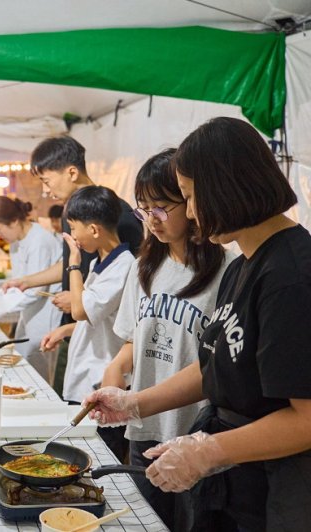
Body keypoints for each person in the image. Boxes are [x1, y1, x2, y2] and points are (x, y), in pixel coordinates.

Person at [85, 117, 311, 531]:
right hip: (231, 483)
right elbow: (215, 366)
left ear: (226, 187)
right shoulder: (244, 264)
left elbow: (306, 418)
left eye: (189, 196)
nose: (189, 212)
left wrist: (207, 451)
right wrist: (136, 403)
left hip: (272, 492)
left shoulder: (291, 276)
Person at [100, 149, 234, 531]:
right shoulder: (144, 266)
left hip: (195, 435)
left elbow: (218, 362)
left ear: (191, 203)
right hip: (145, 427)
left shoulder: (226, 269)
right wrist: (114, 369)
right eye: (143, 210)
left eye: (161, 208)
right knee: (144, 522)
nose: (151, 220)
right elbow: (132, 342)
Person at [4, 136, 143, 397]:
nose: (46, 190)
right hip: (79, 325)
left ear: (71, 172)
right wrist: (27, 281)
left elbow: (133, 281)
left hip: (105, 341)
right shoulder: (73, 212)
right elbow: (69, 262)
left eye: (47, 180)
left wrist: (81, 300)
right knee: (65, 396)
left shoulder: (117, 215)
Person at [40, 185, 135, 461]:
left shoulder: (124, 266)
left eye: (73, 227)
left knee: (98, 460)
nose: (72, 235)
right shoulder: (102, 263)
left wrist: (73, 263)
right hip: (85, 376)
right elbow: (99, 320)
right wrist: (65, 329)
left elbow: (80, 310)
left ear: (94, 230)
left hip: (100, 382)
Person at [0, 197, 62, 362]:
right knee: (22, 357)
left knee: (39, 365)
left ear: (14, 221)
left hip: (46, 312)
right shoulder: (16, 241)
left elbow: (34, 291)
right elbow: (18, 283)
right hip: (29, 312)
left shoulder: (39, 241)